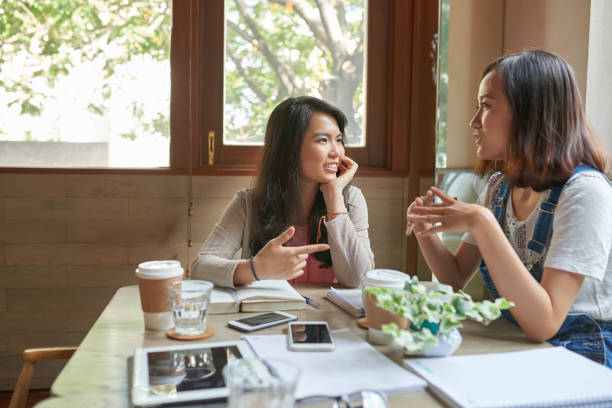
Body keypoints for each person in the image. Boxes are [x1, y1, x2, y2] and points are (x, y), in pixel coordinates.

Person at [406, 50, 612, 367]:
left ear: (530, 113)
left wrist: (481, 221)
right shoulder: (499, 186)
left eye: (486, 106)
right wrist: (424, 231)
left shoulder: (586, 194)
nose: (473, 122)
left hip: (584, 359)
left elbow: (546, 323)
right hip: (522, 346)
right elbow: (454, 278)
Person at [191, 96, 374, 288]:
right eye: (322, 140)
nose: (337, 152)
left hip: (328, 317)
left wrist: (334, 196)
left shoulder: (351, 200)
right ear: (289, 148)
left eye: (338, 140)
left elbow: (359, 279)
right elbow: (200, 268)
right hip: (268, 315)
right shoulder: (249, 202)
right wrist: (255, 269)